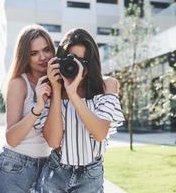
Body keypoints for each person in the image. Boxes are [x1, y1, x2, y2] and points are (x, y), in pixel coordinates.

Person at [36, 28, 125, 193]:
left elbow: (99, 133)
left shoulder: (105, 87)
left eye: (82, 62)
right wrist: (57, 90)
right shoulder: (51, 91)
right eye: (71, 60)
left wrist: (72, 93)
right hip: (55, 173)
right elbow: (54, 142)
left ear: (90, 64)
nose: (75, 67)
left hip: (90, 176)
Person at [0, 24, 55, 193]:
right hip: (15, 166)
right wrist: (38, 107)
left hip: (46, 167)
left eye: (46, 49)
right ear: (25, 56)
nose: (42, 57)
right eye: (34, 53)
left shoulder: (57, 83)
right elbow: (11, 138)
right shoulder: (19, 83)